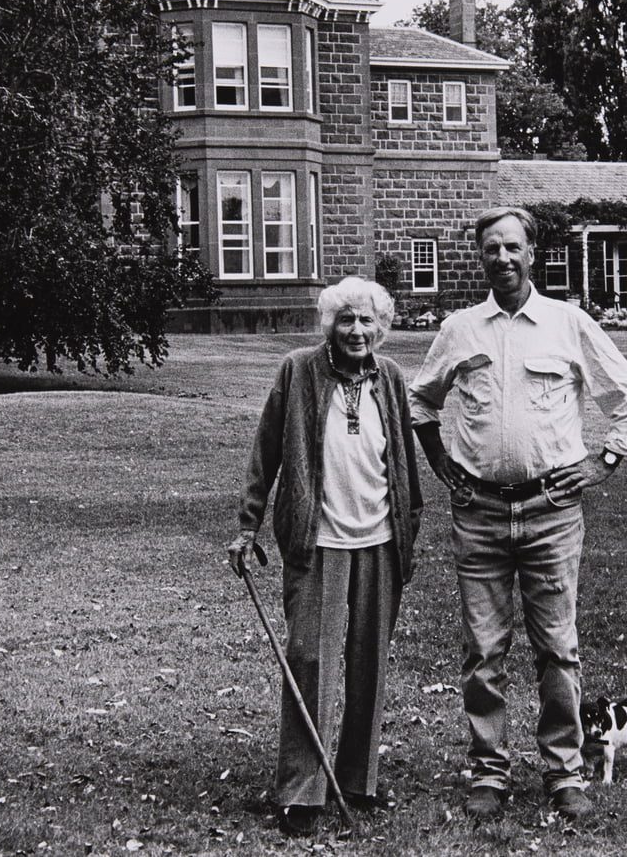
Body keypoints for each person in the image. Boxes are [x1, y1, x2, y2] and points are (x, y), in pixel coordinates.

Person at [408, 207, 627, 822]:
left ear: (532, 253)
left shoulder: (567, 324)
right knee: (484, 650)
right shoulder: (461, 328)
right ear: (480, 257)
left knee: (556, 649)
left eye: (512, 247)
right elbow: (419, 398)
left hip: (552, 511)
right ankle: (488, 772)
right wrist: (441, 462)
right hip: (480, 514)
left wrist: (603, 462)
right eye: (491, 249)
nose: (503, 259)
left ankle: (564, 772)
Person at [227, 276, 423, 837]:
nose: (357, 330)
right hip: (317, 542)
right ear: (329, 324)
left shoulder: (390, 377)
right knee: (310, 660)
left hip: (380, 542)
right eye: (346, 319)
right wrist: (248, 526)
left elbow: (405, 460)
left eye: (367, 321)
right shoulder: (297, 370)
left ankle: (357, 781)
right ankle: (301, 791)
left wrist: (409, 528)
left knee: (369, 665)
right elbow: (265, 450)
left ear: (380, 328)